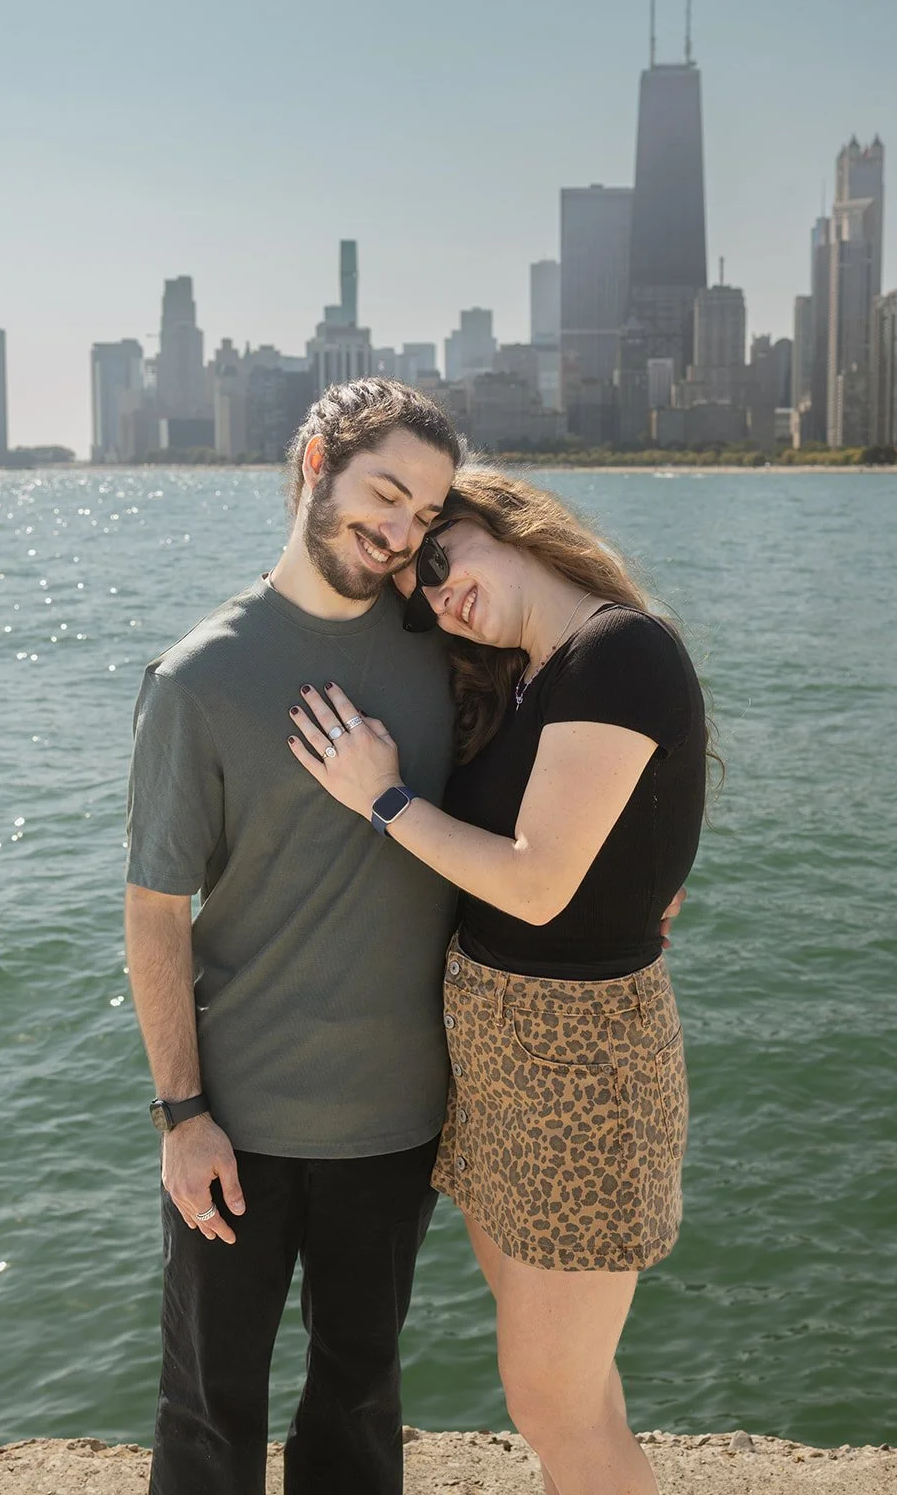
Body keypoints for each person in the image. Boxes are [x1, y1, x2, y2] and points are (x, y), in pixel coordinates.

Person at [287, 466, 708, 1495]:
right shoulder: (534, 671)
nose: (438, 595)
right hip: (503, 1060)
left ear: (511, 525)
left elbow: (535, 881)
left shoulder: (618, 650)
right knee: (578, 1388)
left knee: (550, 1399)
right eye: (419, 597)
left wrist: (378, 798)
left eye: (441, 556)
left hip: (581, 1071)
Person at [124, 379, 467, 1495]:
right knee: (211, 1413)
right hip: (241, 1126)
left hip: (397, 1122)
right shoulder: (198, 677)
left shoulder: (443, 653)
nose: (403, 529)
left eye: (426, 512)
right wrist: (183, 1116)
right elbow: (156, 912)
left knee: (360, 1401)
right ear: (317, 461)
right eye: (388, 492)